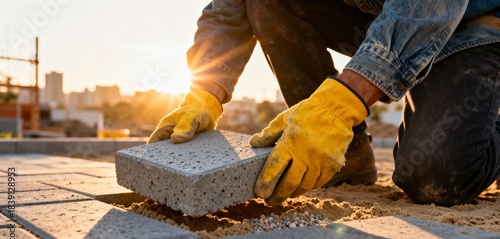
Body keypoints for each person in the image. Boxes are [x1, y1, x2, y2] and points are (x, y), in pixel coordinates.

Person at [148, 0, 500, 207]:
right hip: (378, 14)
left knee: (434, 180)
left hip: (473, 27)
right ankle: (347, 156)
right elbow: (229, 7)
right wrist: (206, 91)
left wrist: (340, 106)